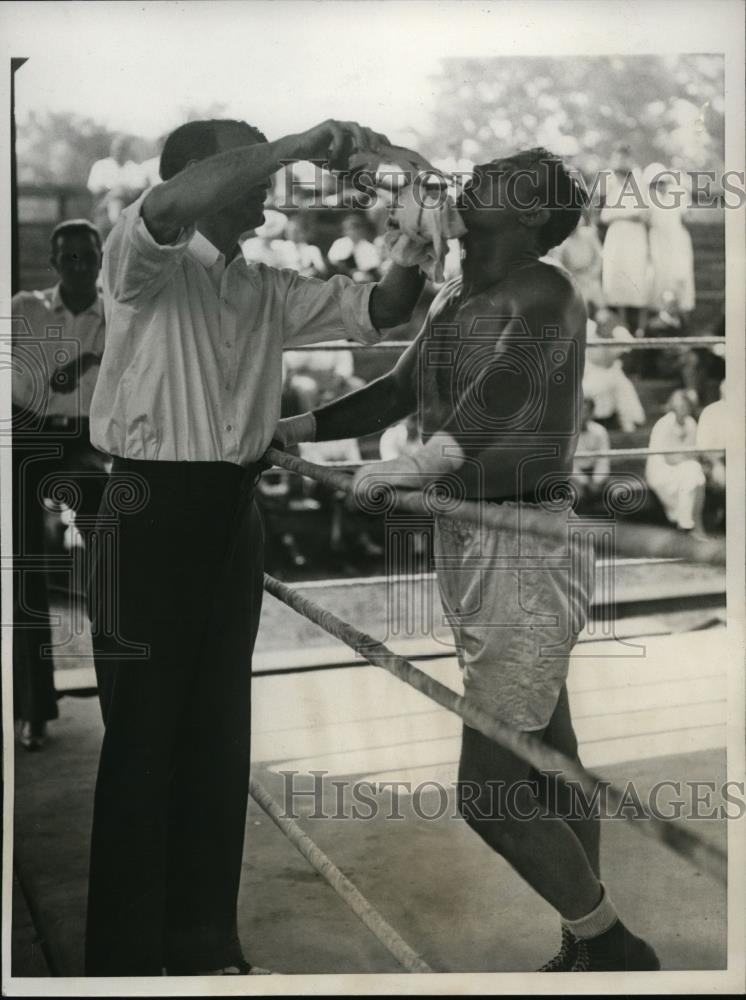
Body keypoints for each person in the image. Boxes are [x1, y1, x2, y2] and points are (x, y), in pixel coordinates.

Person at [278, 148, 660, 972]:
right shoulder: (455, 292)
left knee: (491, 793)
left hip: (524, 550)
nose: (474, 178)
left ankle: (611, 944)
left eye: (499, 177)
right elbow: (395, 393)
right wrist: (291, 434)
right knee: (552, 766)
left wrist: (408, 469)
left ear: (529, 214)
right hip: (470, 538)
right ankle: (587, 938)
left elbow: (501, 399)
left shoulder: (547, 291)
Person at [85, 116, 425, 977]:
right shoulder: (142, 259)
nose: (267, 179)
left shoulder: (265, 287)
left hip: (230, 512)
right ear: (202, 175)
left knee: (216, 732)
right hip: (147, 507)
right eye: (248, 159)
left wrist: (416, 229)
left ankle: (203, 947)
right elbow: (167, 206)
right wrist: (301, 143)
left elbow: (382, 310)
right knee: (142, 740)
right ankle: (121, 967)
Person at [12, 219, 108, 751]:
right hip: (27, 435)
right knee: (23, 562)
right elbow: (22, 389)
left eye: (87, 256)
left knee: (114, 559)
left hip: (89, 441)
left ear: (100, 260)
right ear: (53, 263)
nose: (78, 265)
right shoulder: (25, 308)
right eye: (67, 257)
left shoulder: (119, 313)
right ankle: (33, 710)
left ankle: (126, 694)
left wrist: (89, 361)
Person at [600, 145, 649, 336]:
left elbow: (643, 214)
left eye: (625, 158)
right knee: (617, 277)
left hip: (634, 238)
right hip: (617, 237)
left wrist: (622, 215)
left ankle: (639, 329)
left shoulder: (639, 181)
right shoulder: (611, 183)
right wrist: (624, 215)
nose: (621, 162)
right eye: (618, 158)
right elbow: (605, 215)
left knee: (636, 276)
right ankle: (621, 327)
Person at [645, 390, 706, 537]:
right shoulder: (664, 424)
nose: (684, 408)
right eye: (680, 405)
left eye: (687, 405)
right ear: (673, 406)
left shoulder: (691, 423)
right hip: (661, 471)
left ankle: (690, 522)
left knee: (698, 478)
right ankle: (689, 523)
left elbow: (692, 453)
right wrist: (687, 460)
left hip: (682, 470)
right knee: (693, 472)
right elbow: (665, 457)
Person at [644, 163, 695, 322]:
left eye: (662, 181)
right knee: (659, 279)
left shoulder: (678, 194)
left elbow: (687, 216)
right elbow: (646, 220)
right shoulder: (648, 198)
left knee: (681, 277)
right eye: (655, 183)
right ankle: (661, 320)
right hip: (658, 243)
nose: (660, 186)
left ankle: (681, 321)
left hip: (677, 242)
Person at [87, 135, 146, 235]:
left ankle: (118, 230)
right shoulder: (101, 165)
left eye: (123, 148)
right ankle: (117, 230)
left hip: (128, 207)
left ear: (127, 150)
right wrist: (116, 191)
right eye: (117, 148)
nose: (119, 151)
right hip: (104, 209)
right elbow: (95, 188)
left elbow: (138, 189)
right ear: (112, 148)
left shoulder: (134, 167)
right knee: (116, 196)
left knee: (119, 195)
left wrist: (119, 191)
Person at [571, 398, 611, 509]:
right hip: (573, 475)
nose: (582, 415)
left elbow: (603, 460)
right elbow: (568, 464)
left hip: (594, 473)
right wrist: (584, 481)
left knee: (611, 496)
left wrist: (597, 480)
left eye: (586, 411)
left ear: (592, 413)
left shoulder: (600, 431)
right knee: (576, 496)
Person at [327, 212, 382, 281]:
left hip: (363, 279)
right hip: (341, 276)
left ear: (359, 230)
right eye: (345, 229)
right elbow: (333, 262)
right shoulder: (339, 243)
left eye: (351, 229)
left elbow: (373, 268)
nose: (347, 232)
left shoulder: (369, 247)